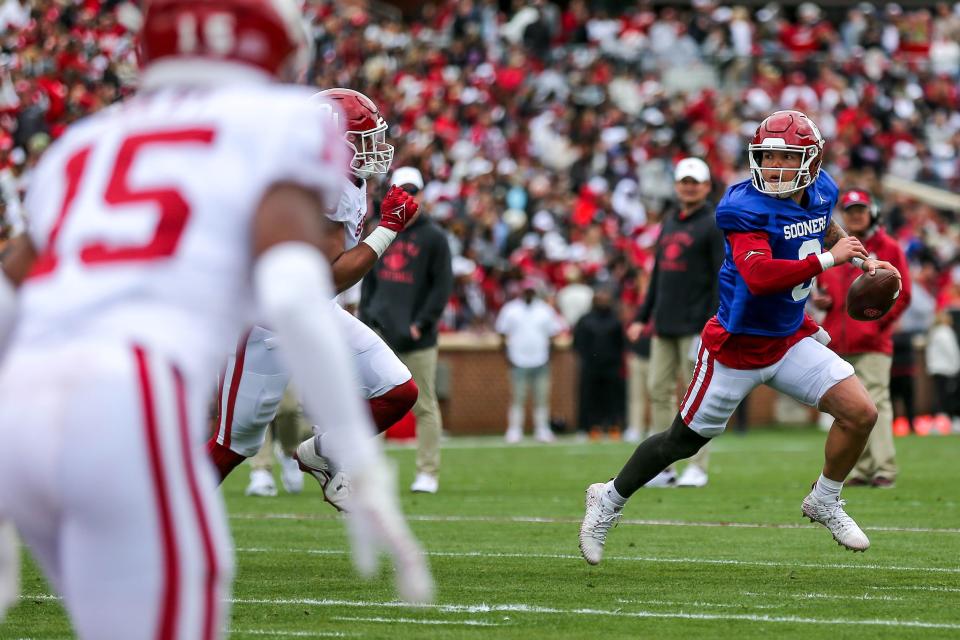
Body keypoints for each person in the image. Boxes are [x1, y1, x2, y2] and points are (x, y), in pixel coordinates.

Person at [0, 1, 433, 635]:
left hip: (29, 404)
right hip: (137, 392)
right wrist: (367, 475)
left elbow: (16, 282)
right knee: (172, 607)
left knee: (396, 390)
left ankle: (316, 457)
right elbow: (299, 286)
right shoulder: (275, 133)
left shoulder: (88, 142)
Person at [579, 110, 902, 566]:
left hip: (789, 337)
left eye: (786, 158)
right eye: (768, 157)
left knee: (861, 412)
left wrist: (856, 256)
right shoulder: (741, 206)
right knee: (681, 442)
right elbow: (760, 276)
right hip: (736, 346)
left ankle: (825, 498)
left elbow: (822, 222)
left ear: (810, 163)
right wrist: (831, 259)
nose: (774, 167)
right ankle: (608, 497)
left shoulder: (823, 188)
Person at [207, 88, 423, 509]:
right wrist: (389, 230)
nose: (373, 148)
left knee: (397, 391)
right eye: (360, 140)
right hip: (266, 320)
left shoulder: (338, 178)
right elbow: (327, 279)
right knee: (232, 445)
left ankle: (322, 453)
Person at [625, 157, 725, 487]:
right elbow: (657, 278)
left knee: (697, 396)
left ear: (707, 186)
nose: (689, 186)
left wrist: (710, 323)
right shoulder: (670, 222)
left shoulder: (713, 223)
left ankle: (698, 466)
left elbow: (719, 277)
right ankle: (663, 466)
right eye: (684, 181)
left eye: (695, 182)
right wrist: (642, 317)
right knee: (658, 391)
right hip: (664, 325)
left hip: (696, 325)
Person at [361, 166, 453, 494]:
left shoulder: (435, 237)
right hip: (381, 334)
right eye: (403, 190)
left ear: (423, 194)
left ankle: (427, 472)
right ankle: (371, 474)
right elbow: (368, 279)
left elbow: (442, 287)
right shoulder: (380, 229)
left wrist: (422, 323)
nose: (409, 197)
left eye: (414, 190)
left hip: (418, 338)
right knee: (375, 402)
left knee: (425, 405)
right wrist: (368, 317)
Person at [811, 189, 911, 488]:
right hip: (838, 340)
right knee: (852, 407)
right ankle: (862, 469)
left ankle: (884, 468)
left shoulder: (888, 246)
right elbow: (823, 287)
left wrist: (878, 325)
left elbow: (902, 294)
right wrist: (822, 303)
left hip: (872, 342)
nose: (855, 215)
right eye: (851, 210)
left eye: (861, 210)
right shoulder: (834, 246)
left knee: (876, 400)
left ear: (872, 213)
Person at [495, 278, 567, 443]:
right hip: (517, 360)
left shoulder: (544, 310)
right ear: (521, 292)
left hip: (540, 360)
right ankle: (514, 429)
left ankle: (542, 429)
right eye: (526, 291)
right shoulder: (510, 309)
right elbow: (501, 334)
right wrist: (508, 357)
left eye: (531, 291)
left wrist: (549, 357)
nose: (528, 294)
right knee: (517, 397)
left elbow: (553, 335)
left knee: (541, 397)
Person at [573, 287, 626, 439]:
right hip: (590, 366)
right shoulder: (585, 320)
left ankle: (613, 426)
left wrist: (614, 360)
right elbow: (578, 343)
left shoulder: (615, 320)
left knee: (612, 398)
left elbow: (620, 343)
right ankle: (587, 428)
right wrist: (587, 358)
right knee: (588, 397)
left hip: (611, 367)